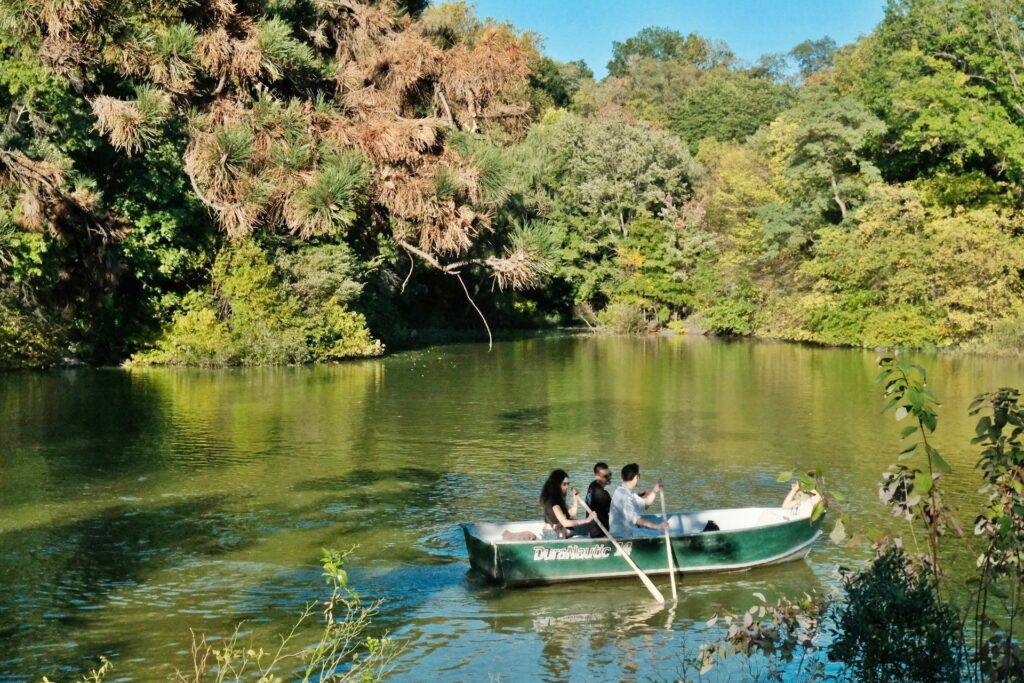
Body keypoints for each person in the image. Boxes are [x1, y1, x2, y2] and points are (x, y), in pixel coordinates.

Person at [609, 463, 668, 537]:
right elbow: (636, 520)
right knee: (659, 533)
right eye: (639, 475)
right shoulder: (625, 496)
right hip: (622, 534)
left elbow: (646, 504)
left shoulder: (625, 491)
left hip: (629, 530)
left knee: (657, 531)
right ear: (637, 477)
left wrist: (654, 491)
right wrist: (658, 526)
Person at [539, 469, 595, 538]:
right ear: (556, 485)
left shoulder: (558, 499)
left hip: (561, 531)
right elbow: (565, 523)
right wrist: (587, 520)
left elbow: (572, 513)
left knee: (588, 527)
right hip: (553, 535)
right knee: (586, 527)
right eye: (564, 484)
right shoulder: (553, 502)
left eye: (568, 484)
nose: (567, 487)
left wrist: (575, 498)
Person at [585, 462, 613, 537]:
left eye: (610, 474)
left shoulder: (593, 485)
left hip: (592, 528)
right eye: (606, 476)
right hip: (601, 532)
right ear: (597, 477)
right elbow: (615, 511)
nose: (609, 478)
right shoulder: (602, 494)